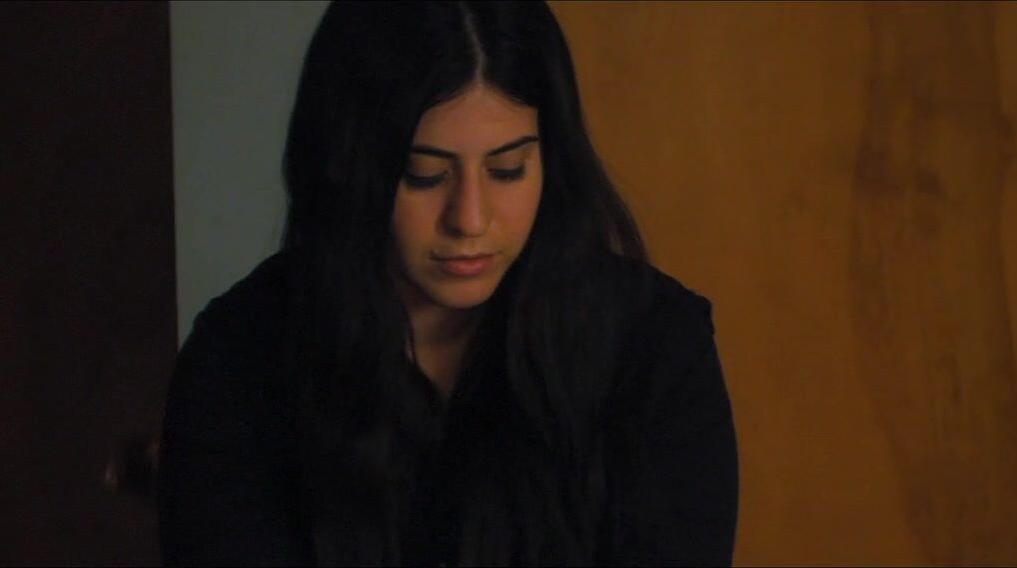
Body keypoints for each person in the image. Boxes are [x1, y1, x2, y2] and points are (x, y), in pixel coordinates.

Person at [157, 1, 738, 565]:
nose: (469, 219)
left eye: (507, 170)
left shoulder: (654, 348)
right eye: (424, 175)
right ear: (348, 165)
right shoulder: (241, 357)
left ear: (551, 159)